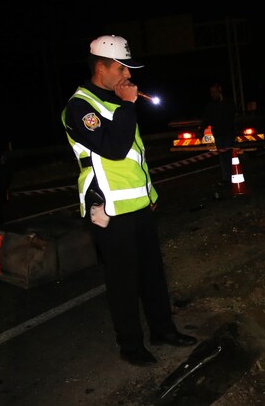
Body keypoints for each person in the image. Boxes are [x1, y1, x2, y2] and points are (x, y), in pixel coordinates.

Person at [61, 34, 197, 367]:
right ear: (100, 67)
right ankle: (130, 345)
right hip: (109, 209)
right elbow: (114, 148)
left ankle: (162, 330)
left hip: (137, 205)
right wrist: (128, 104)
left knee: (153, 274)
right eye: (121, 69)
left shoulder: (116, 102)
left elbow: (135, 156)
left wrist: (150, 194)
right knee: (123, 282)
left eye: (128, 70)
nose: (127, 76)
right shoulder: (80, 107)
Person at [201, 83, 237, 185]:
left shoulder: (228, 102)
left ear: (219, 91)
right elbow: (206, 119)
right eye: (211, 92)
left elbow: (232, 112)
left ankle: (232, 177)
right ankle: (226, 178)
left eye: (215, 92)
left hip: (228, 134)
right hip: (218, 135)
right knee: (222, 157)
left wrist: (222, 102)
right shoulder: (210, 106)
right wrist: (201, 130)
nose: (213, 94)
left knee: (229, 156)